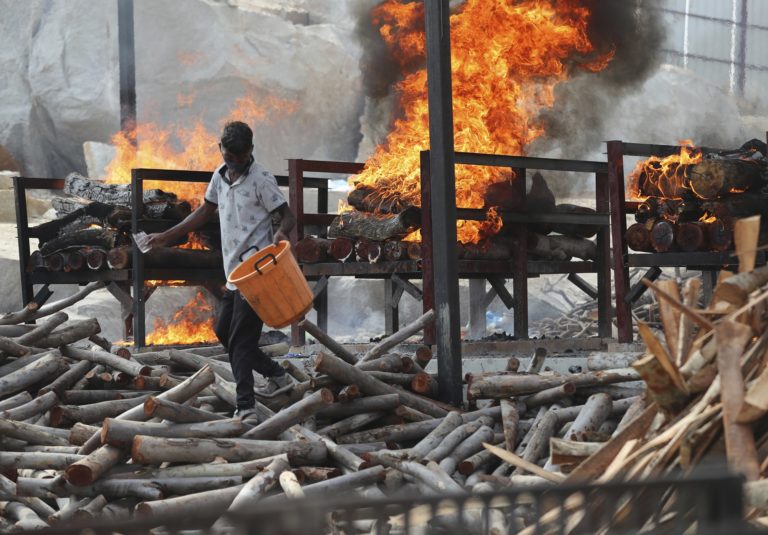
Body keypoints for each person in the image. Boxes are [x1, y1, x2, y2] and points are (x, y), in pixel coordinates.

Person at [146, 121, 295, 418]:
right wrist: (167, 237)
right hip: (233, 273)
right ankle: (278, 376)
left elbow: (287, 215)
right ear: (221, 150)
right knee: (223, 331)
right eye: (230, 158)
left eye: (241, 158)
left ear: (250, 151)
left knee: (240, 342)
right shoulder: (219, 176)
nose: (236, 164)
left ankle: (246, 407)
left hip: (257, 273)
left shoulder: (261, 180)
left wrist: (281, 233)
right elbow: (205, 211)